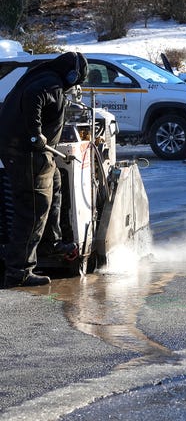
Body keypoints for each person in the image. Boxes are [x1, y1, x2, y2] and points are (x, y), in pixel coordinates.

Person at [0, 52, 88, 288]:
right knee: (33, 209)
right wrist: (35, 132)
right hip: (28, 154)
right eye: (76, 81)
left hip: (31, 152)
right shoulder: (50, 83)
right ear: (71, 74)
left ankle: (52, 241)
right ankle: (19, 271)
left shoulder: (42, 75)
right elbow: (33, 97)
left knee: (56, 182)